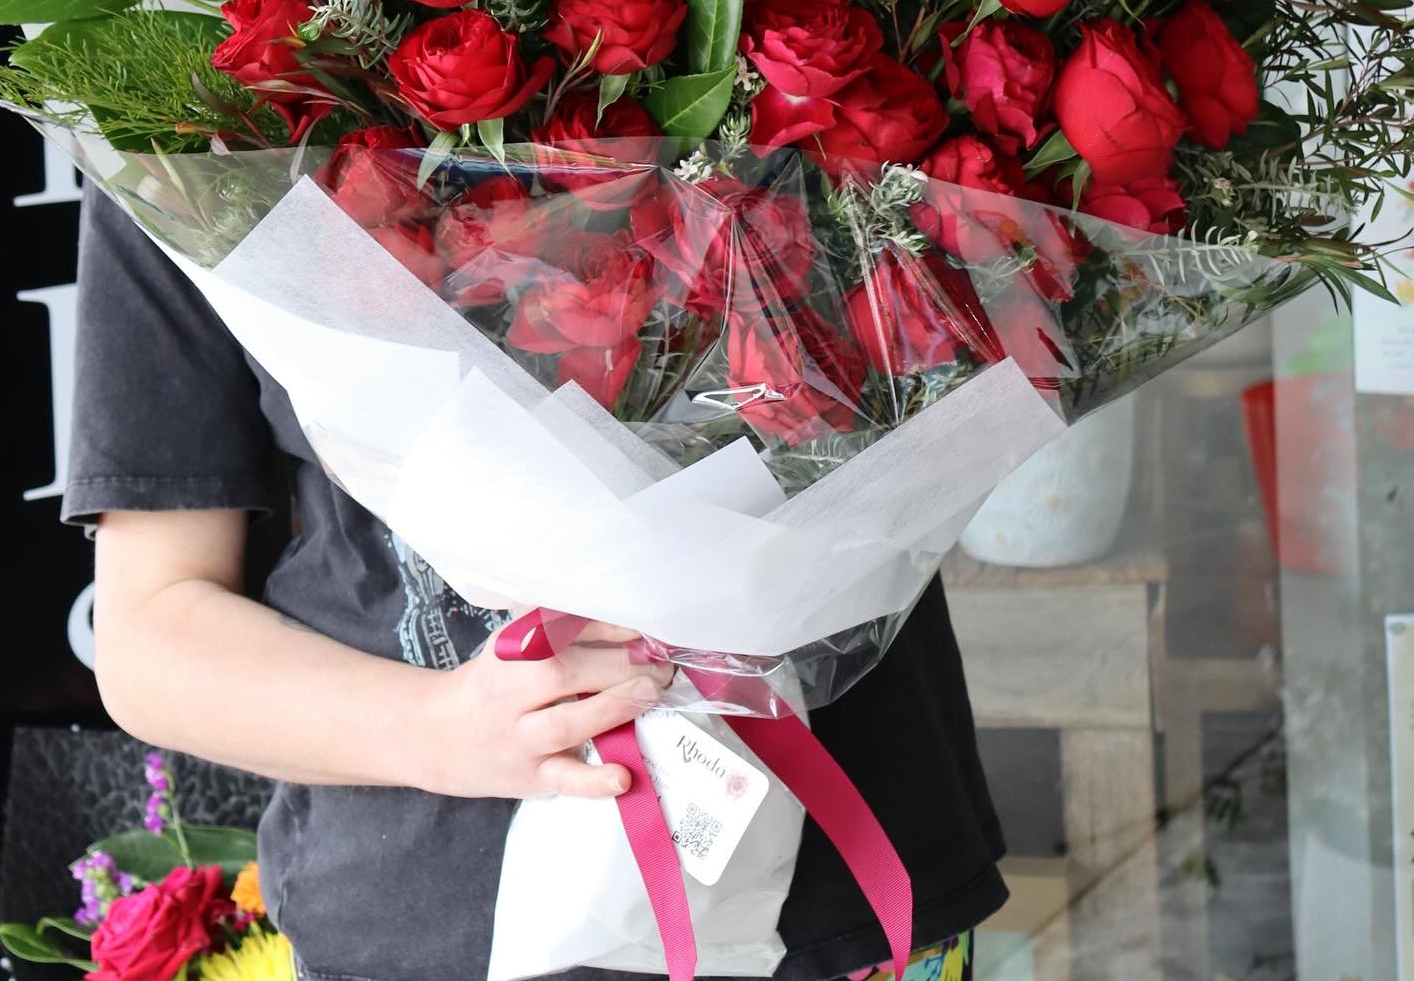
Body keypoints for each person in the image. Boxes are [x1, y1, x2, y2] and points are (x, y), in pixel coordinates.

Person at [65, 185, 1005, 981]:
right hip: (441, 921)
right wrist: (444, 731)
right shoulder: (187, 115)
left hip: (852, 881)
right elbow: (152, 638)